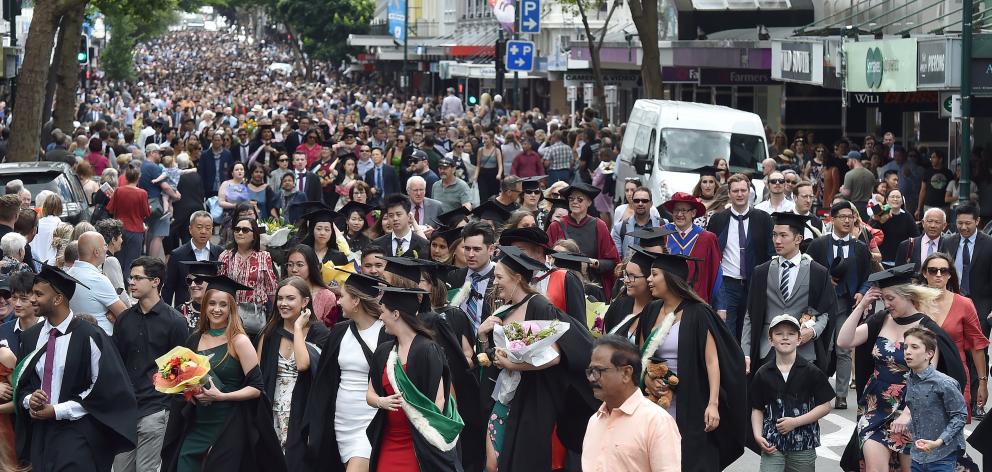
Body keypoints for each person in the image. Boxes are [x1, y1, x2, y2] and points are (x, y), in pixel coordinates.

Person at [476, 246, 597, 471]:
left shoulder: (539, 306)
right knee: (492, 464)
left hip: (533, 397)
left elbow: (553, 356)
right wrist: (483, 336)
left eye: (499, 277)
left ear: (517, 278)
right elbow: (494, 355)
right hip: (505, 395)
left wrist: (512, 364)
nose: (495, 282)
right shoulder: (504, 308)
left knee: (520, 462)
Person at [836, 264, 966, 472]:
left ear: (907, 295)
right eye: (883, 298)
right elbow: (844, 340)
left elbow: (928, 381)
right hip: (875, 408)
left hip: (913, 412)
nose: (886, 304)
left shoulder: (927, 329)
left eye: (891, 298)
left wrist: (907, 414)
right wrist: (861, 307)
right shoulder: (881, 320)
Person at [13, 264, 138, 471]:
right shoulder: (30, 337)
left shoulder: (90, 336)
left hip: (78, 433)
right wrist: (29, 400)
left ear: (58, 299)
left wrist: (57, 410)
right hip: (41, 435)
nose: (32, 299)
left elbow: (104, 389)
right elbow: (22, 383)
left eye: (38, 294)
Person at [635, 249, 748, 471]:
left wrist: (713, 404)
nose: (649, 279)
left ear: (671, 277)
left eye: (654, 274)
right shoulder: (650, 310)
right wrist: (647, 380)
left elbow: (712, 361)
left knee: (690, 459)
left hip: (691, 400)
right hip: (654, 399)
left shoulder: (698, 313)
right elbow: (641, 355)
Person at [160, 275, 286, 472]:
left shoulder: (239, 341)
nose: (216, 309)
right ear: (204, 306)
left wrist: (222, 396)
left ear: (231, 309)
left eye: (223, 305)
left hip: (228, 425)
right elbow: (181, 380)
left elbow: (257, 388)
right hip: (197, 423)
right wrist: (189, 392)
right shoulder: (194, 340)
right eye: (211, 303)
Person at [365, 284, 464, 471]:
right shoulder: (384, 352)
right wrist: (381, 401)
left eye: (383, 311)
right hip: (388, 439)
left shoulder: (427, 350)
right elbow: (370, 394)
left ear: (395, 314)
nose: (380, 317)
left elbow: (439, 401)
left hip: (419, 443)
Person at [303, 270, 390, 472]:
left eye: (342, 296)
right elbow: (325, 381)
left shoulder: (385, 332)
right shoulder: (340, 331)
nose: (338, 301)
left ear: (357, 301)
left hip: (370, 421)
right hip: (341, 422)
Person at [112, 256, 190, 472]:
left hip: (156, 408)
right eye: (131, 278)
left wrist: (168, 407)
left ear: (155, 281)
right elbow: (116, 364)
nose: (131, 282)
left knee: (146, 469)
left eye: (138, 278)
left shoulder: (175, 322)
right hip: (125, 409)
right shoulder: (124, 319)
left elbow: (179, 374)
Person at [743, 212, 837, 374]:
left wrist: (812, 332)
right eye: (774, 235)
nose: (777, 241)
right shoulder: (761, 272)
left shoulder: (817, 272)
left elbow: (826, 311)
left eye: (783, 235)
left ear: (798, 239)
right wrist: (745, 351)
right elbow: (750, 315)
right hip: (767, 350)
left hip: (804, 352)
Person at [256, 276, 329, 469]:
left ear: (305, 302)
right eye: (280, 298)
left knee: (296, 463)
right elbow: (258, 374)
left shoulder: (319, 333)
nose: (283, 303)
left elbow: (303, 364)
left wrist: (297, 328)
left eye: (290, 298)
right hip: (272, 408)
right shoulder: (270, 333)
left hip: (302, 410)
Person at [582, 335, 682, 472]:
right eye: (590, 371)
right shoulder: (594, 421)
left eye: (598, 371)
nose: (592, 378)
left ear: (626, 373)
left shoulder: (657, 421)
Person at [807, 201, 872, 410]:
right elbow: (807, 271)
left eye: (850, 216)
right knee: (822, 347)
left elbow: (868, 276)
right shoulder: (818, 245)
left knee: (844, 348)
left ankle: (841, 395)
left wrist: (862, 292)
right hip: (821, 305)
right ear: (832, 219)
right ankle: (819, 390)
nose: (847, 220)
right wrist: (825, 279)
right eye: (842, 216)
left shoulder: (860, 248)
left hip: (846, 303)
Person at [749, 314, 834, 472]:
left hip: (803, 445)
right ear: (770, 340)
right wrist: (757, 435)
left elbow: (825, 406)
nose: (785, 338)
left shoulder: (812, 371)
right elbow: (757, 408)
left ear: (799, 339)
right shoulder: (763, 373)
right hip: (772, 443)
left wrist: (795, 422)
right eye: (779, 333)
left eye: (791, 334)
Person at [919, 252, 989, 422]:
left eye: (943, 271)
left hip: (955, 374)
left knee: (954, 430)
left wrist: (982, 383)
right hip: (920, 374)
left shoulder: (964, 304)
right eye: (933, 270)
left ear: (950, 274)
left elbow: (977, 345)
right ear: (924, 273)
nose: (938, 275)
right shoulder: (915, 302)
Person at [707, 173, 775, 338]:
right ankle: (729, 364)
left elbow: (771, 252)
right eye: (735, 191)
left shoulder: (763, 219)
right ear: (729, 193)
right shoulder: (718, 219)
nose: (739, 194)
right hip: (727, 283)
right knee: (727, 331)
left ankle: (747, 363)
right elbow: (711, 252)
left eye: (743, 190)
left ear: (749, 192)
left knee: (749, 331)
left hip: (754, 284)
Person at [902, 327, 969, 472]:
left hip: (942, 457)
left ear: (929, 354)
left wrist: (938, 442)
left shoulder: (944, 383)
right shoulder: (910, 380)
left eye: (914, 347)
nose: (907, 351)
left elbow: (960, 416)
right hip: (918, 455)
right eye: (905, 347)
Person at [546, 182, 621, 299]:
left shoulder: (598, 225)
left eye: (580, 199)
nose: (574, 202)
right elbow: (546, 257)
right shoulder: (556, 226)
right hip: (562, 286)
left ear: (589, 202)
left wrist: (593, 262)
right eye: (571, 199)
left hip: (592, 288)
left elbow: (612, 262)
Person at [939, 202, 992, 338]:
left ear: (977, 221)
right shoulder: (947, 242)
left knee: (978, 352)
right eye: (959, 223)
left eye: (968, 223)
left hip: (981, 308)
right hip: (951, 304)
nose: (963, 227)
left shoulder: (989, 244)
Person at [219, 218, 278, 335]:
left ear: (254, 235)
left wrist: (275, 316)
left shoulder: (264, 256)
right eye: (237, 229)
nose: (240, 233)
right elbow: (219, 287)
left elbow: (271, 289)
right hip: (231, 314)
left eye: (245, 230)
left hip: (256, 315)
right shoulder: (225, 256)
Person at [661, 192, 722, 304]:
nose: (679, 214)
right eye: (676, 210)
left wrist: (720, 306)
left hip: (697, 301)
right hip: (666, 299)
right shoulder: (662, 234)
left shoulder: (708, 239)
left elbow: (716, 274)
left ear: (693, 213)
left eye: (684, 210)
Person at [66, 231, 128, 334]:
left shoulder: (69, 273)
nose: (107, 249)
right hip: (101, 339)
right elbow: (124, 314)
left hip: (78, 336)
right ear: (96, 252)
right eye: (104, 245)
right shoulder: (97, 279)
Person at [163, 211, 223, 306]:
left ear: (212, 230)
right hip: (185, 309)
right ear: (190, 229)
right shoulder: (177, 255)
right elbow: (168, 288)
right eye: (199, 227)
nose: (203, 231)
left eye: (208, 228)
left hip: (212, 308)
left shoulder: (220, 253)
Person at [450, 222, 497, 331]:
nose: (470, 254)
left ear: (491, 249)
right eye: (467, 248)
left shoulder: (500, 280)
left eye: (477, 249)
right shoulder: (454, 277)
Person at [107, 166, 151, 279]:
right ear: (138, 177)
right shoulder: (143, 193)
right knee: (132, 262)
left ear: (125, 177)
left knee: (118, 260)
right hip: (136, 230)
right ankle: (127, 286)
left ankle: (118, 285)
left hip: (119, 230)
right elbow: (146, 213)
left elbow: (110, 209)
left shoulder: (118, 190)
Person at [284, 245, 338, 327]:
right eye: (290, 264)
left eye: (300, 265)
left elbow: (329, 330)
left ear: (311, 266)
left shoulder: (327, 296)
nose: (294, 270)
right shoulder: (282, 290)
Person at [372, 194, 430, 259]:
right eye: (391, 215)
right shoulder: (378, 243)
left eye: (398, 214)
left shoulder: (423, 244)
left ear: (409, 216)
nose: (395, 219)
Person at [611, 186, 664, 258]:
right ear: (632, 203)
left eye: (644, 201)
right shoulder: (619, 228)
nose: (640, 203)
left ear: (651, 204)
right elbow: (617, 258)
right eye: (636, 201)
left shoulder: (662, 224)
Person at [873, 189, 920, 267]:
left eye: (898, 197)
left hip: (901, 260)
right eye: (892, 197)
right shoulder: (880, 212)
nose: (895, 199)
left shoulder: (907, 216)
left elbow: (916, 236)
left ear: (902, 201)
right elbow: (870, 230)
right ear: (887, 200)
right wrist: (878, 215)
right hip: (883, 259)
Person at [0, 271, 40, 358]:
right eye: (14, 298)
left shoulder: (50, 331)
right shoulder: (2, 331)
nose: (17, 304)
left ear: (36, 298)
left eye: (24, 299)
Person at [177, 260, 223, 329]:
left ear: (211, 283)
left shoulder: (220, 312)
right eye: (189, 281)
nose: (192, 285)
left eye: (198, 280)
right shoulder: (181, 311)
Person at [31, 193, 64, 270]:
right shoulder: (62, 226)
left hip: (35, 264)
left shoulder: (36, 223)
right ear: (60, 208)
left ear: (44, 207)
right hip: (53, 267)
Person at [841, 151, 876, 221]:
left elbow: (846, 193)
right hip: (869, 206)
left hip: (855, 206)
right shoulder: (870, 174)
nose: (847, 163)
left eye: (848, 160)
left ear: (854, 160)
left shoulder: (849, 174)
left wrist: (842, 189)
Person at [198, 132, 235, 197]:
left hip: (224, 187)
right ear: (212, 141)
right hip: (209, 188)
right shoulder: (205, 154)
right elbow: (201, 172)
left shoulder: (227, 154)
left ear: (222, 142)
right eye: (215, 140)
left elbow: (231, 170)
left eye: (219, 140)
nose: (217, 142)